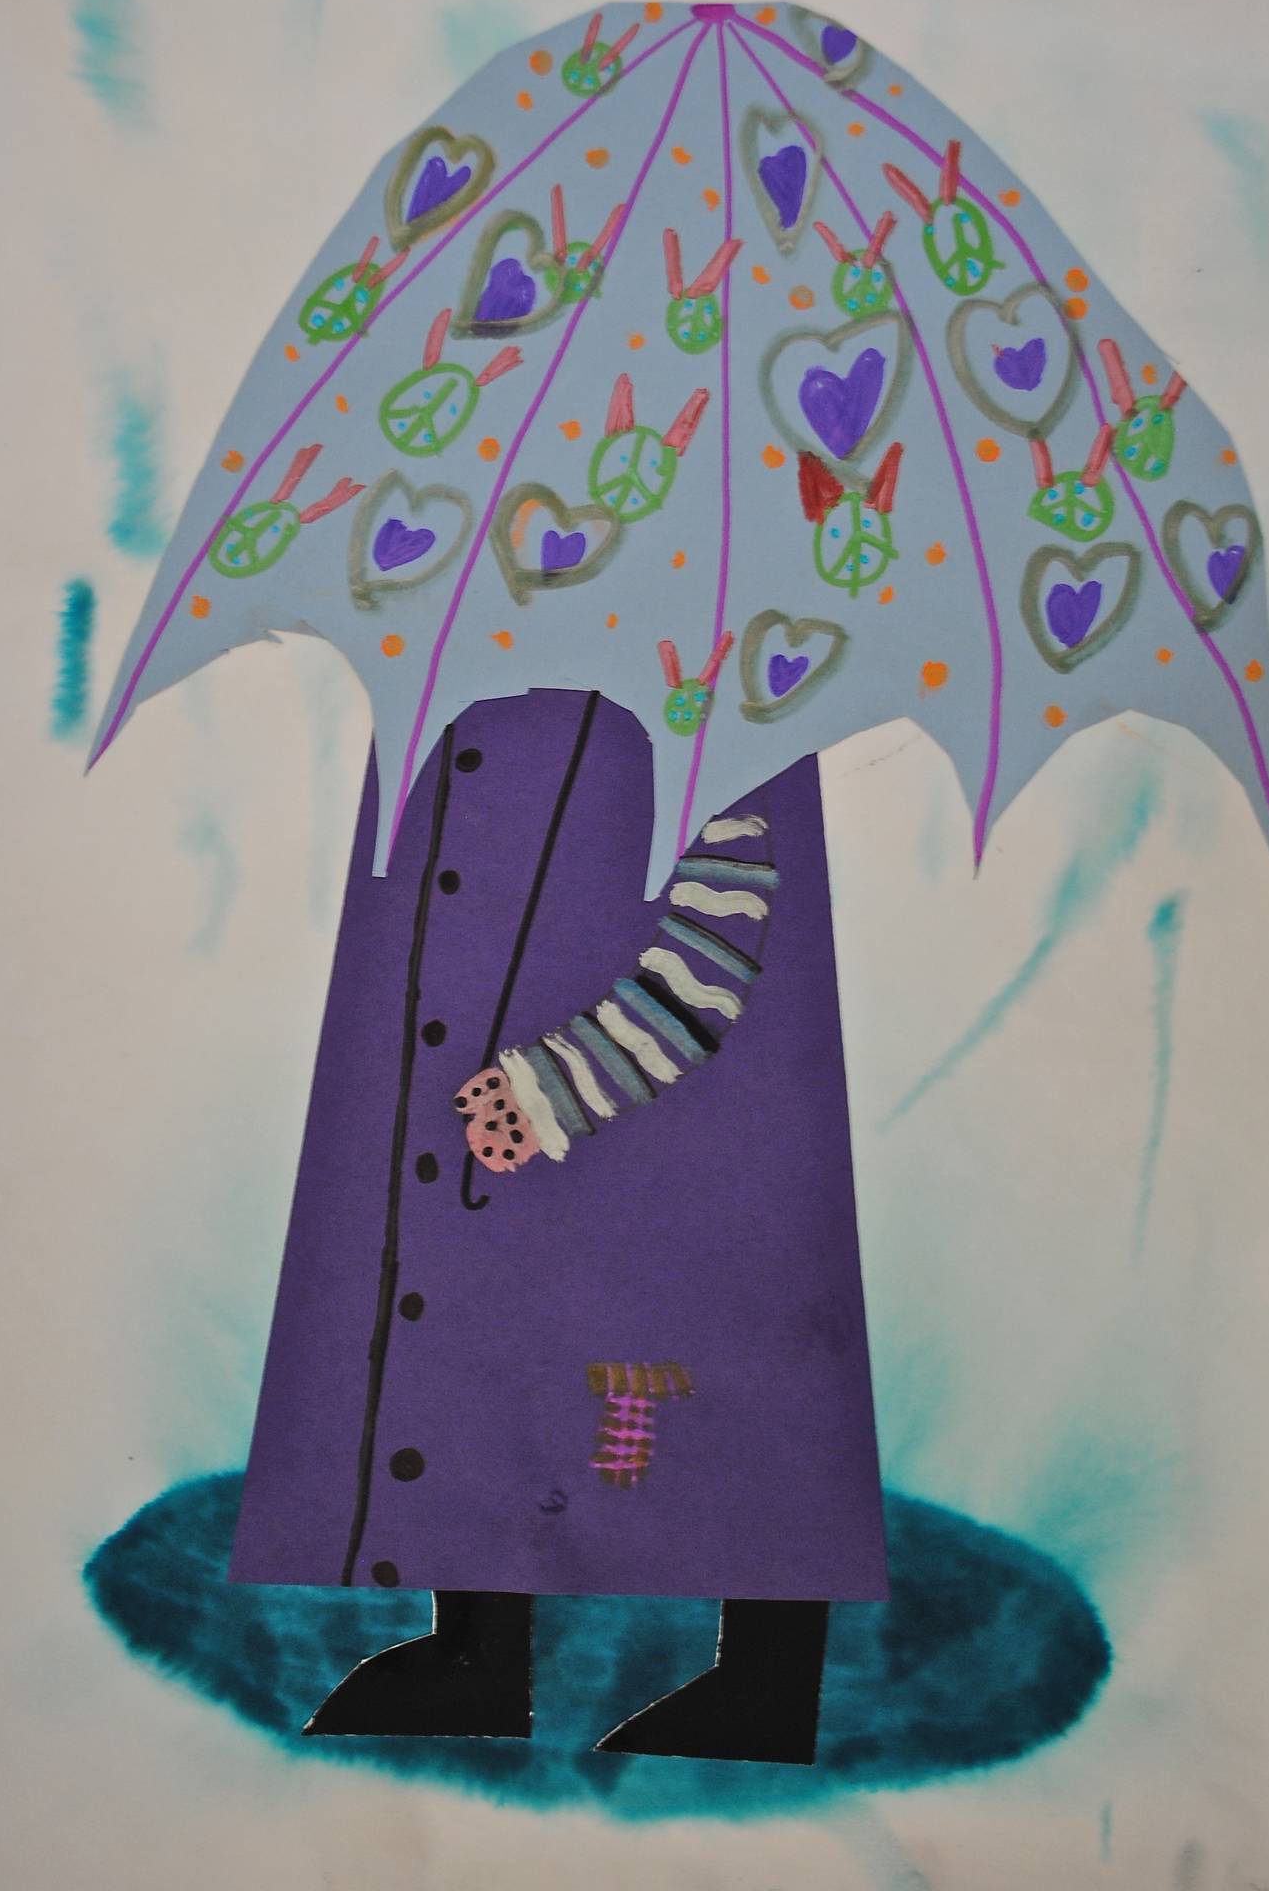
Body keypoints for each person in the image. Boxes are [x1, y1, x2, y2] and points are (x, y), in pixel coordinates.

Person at [228, 686, 886, 1763]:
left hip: (648, 1083)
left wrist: (573, 1076)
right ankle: (479, 1644)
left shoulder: (727, 664)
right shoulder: (466, 672)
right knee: (465, 1305)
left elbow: (723, 923)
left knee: (735, 1347)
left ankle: (766, 1671)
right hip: (493, 1025)